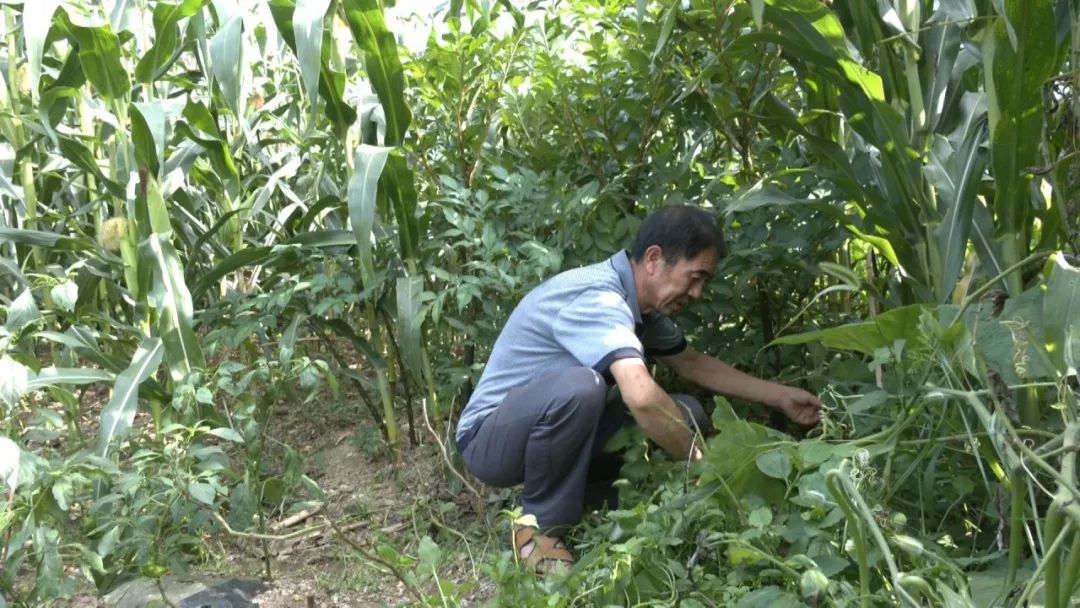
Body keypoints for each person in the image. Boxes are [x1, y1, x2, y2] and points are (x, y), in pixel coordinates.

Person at [454, 205, 821, 573]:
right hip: (488, 440)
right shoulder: (599, 297)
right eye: (694, 277)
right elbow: (642, 396)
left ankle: (587, 500)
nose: (697, 293)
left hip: (541, 433)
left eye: (704, 282)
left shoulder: (642, 312)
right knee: (584, 388)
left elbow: (692, 364)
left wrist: (781, 396)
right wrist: (707, 469)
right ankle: (539, 531)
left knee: (686, 411)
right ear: (654, 258)